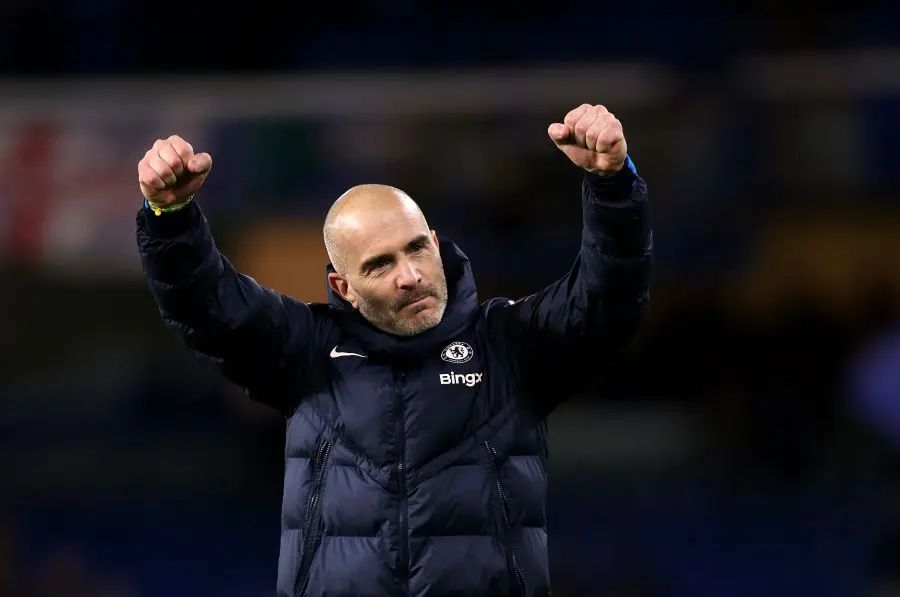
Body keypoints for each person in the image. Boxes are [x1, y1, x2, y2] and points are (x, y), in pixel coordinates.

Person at [136, 103, 653, 597]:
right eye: (379, 265)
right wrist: (171, 215)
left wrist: (611, 185)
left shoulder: (508, 345)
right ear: (343, 288)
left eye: (416, 249)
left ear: (435, 239)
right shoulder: (307, 351)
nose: (409, 276)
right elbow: (209, 308)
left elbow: (605, 302)